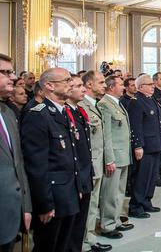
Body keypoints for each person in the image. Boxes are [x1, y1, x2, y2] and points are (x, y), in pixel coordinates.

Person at [21, 68, 80, 252]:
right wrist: (44, 204)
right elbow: (36, 165)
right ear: (49, 85)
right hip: (53, 198)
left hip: (68, 192)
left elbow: (70, 156)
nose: (71, 83)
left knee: (63, 244)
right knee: (48, 246)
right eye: (66, 80)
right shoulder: (38, 115)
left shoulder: (63, 112)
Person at [0, 54, 31, 252]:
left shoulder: (7, 113)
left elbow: (18, 164)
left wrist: (26, 207)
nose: (12, 77)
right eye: (5, 72)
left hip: (10, 213)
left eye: (11, 72)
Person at [97, 76, 134, 238]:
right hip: (114, 157)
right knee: (110, 193)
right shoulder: (104, 104)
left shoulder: (116, 103)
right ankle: (107, 225)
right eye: (120, 84)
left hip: (123, 154)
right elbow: (106, 135)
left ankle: (116, 219)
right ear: (111, 87)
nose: (123, 87)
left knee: (119, 191)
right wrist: (109, 158)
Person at [79, 71, 111, 252]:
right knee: (88, 206)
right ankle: (84, 242)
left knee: (93, 205)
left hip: (98, 163)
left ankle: (89, 238)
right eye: (100, 82)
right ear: (89, 84)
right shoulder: (82, 106)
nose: (104, 85)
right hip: (89, 164)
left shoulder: (95, 105)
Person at [127, 75, 161, 218]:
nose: (153, 86)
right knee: (141, 177)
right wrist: (138, 146)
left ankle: (146, 202)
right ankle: (135, 206)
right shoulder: (136, 102)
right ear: (141, 87)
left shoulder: (151, 100)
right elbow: (136, 126)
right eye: (149, 84)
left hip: (155, 144)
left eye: (152, 84)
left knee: (151, 176)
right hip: (145, 146)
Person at [66, 75, 94, 252]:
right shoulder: (64, 113)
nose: (83, 89)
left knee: (79, 222)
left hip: (84, 172)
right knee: (70, 225)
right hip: (71, 176)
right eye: (78, 86)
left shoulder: (78, 111)